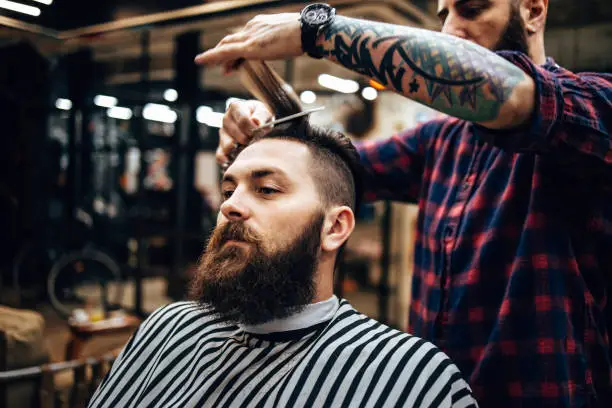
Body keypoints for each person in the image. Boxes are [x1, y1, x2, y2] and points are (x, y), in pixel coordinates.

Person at [196, 1, 612, 406]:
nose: (451, 30)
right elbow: (328, 175)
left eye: (472, 9)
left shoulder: (595, 105)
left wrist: (318, 30)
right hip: (431, 393)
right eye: (444, 16)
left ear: (533, 11)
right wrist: (270, 130)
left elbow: (510, 92)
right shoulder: (441, 141)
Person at [88, 114, 477, 407]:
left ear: (335, 228)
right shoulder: (167, 327)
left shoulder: (411, 378)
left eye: (267, 189)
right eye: (228, 188)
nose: (230, 206)